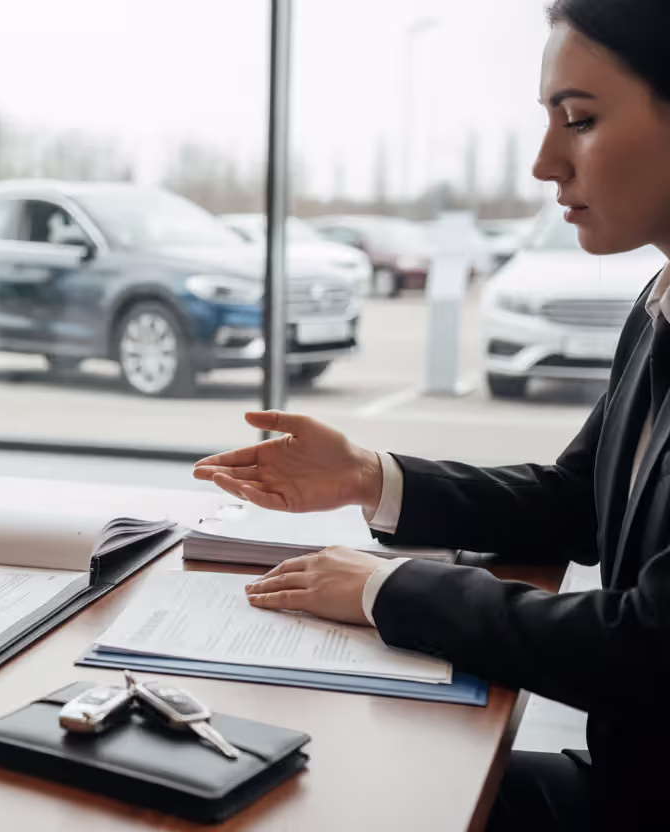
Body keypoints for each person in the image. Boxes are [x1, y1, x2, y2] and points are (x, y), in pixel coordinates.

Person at [194, 1, 670, 828]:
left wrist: (388, 589)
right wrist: (366, 477)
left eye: (581, 119)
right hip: (633, 777)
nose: (544, 163)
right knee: (289, 780)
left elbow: (649, 647)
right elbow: (577, 501)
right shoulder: (661, 299)